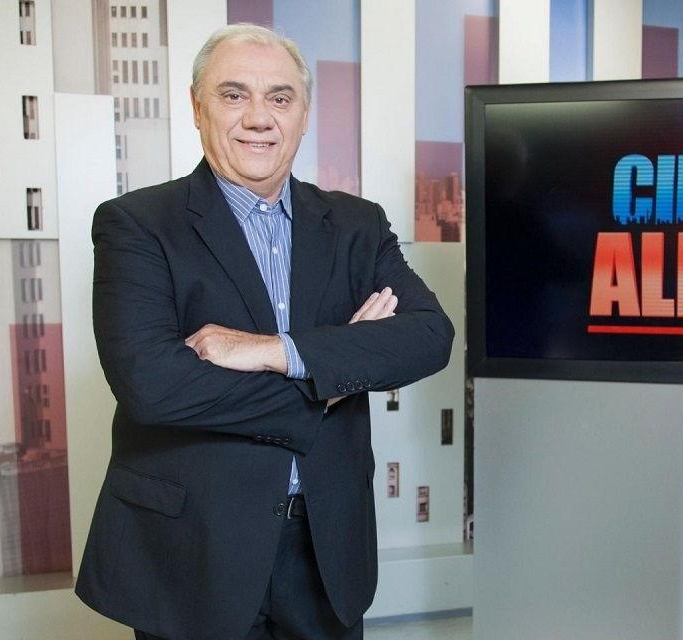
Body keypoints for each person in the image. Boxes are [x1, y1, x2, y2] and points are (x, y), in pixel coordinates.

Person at [75, 23, 454, 640]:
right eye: (234, 95)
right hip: (194, 552)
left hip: (327, 549)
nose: (259, 118)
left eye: (280, 97)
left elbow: (430, 336)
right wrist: (328, 383)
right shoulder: (137, 224)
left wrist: (275, 351)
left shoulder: (356, 226)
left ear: (303, 115)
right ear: (197, 108)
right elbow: (154, 387)